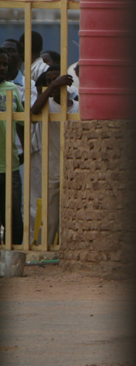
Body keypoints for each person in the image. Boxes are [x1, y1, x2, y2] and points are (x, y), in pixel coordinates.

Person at [28, 67, 75, 247]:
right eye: (50, 81)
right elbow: (33, 112)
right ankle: (46, 251)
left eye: (58, 80)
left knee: (73, 216)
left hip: (73, 170)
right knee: (50, 218)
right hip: (52, 169)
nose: (54, 85)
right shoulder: (46, 105)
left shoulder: (78, 106)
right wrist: (52, 86)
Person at [0, 48, 24, 245]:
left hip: (10, 165)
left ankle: (13, 255)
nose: (2, 68)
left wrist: (23, 149)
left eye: (5, 64)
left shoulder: (12, 89)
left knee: (14, 214)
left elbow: (22, 122)